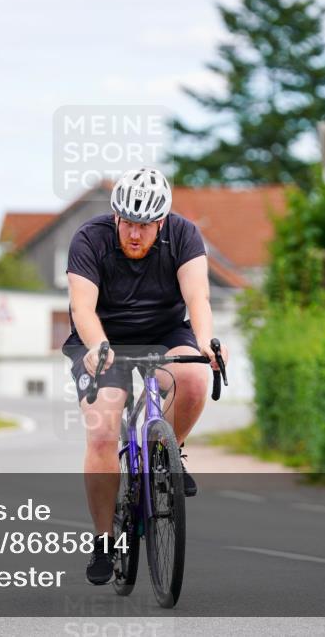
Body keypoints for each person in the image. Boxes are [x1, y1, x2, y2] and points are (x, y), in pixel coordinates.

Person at [61, 167, 228, 585]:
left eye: (146, 226)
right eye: (128, 223)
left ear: (162, 222)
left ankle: (167, 452)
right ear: (116, 216)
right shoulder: (90, 238)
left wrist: (205, 343)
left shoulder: (184, 235)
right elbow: (82, 307)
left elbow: (198, 297)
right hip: (103, 336)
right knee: (103, 429)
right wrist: (97, 345)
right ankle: (104, 540)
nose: (135, 234)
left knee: (191, 379)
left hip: (163, 332)